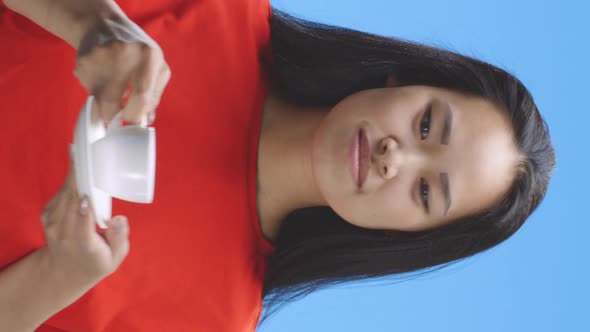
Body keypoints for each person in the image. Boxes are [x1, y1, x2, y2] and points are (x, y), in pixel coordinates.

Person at [0, 0, 555, 331]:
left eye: (427, 193)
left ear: (404, 236)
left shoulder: (215, 319)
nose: (397, 157)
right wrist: (94, 23)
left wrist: (57, 278)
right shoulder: (224, 11)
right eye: (428, 125)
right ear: (404, 79)